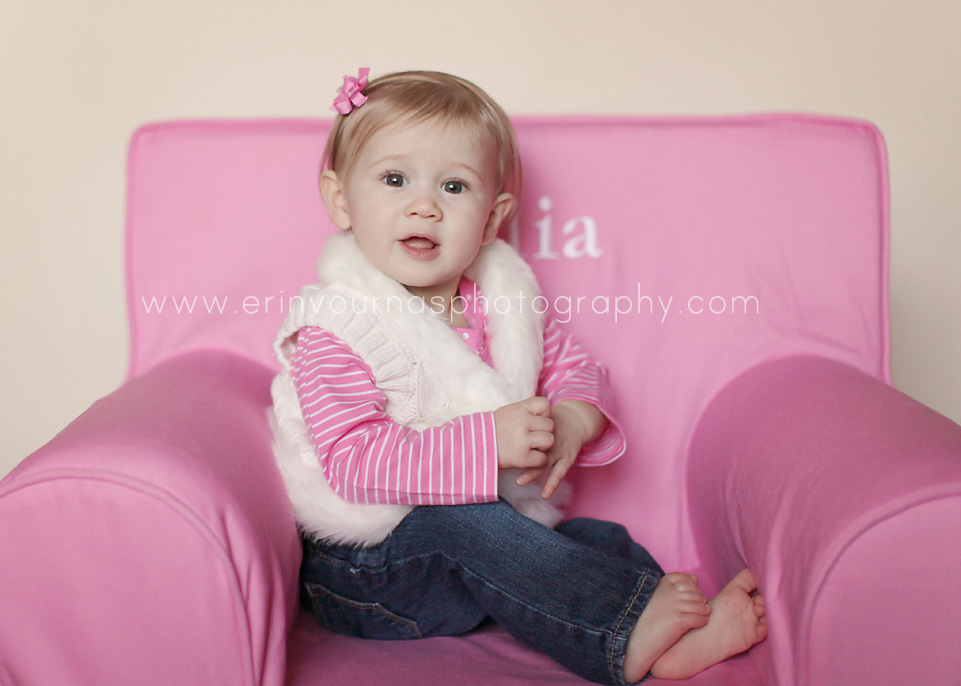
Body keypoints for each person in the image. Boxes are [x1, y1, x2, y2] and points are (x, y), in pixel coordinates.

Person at [269, 68, 767, 685]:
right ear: (341, 198)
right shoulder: (338, 324)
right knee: (464, 522)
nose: (424, 205)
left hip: (471, 562)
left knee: (595, 539)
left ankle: (668, 638)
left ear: (491, 218)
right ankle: (623, 631)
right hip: (368, 576)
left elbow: (576, 367)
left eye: (454, 186)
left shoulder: (502, 304)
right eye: (394, 179)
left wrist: (573, 419)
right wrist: (488, 443)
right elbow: (353, 460)